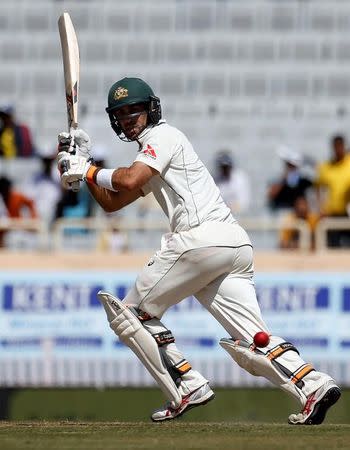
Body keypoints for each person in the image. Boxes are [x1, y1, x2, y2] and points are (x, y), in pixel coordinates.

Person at [56, 77, 340, 424]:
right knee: (254, 339)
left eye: (135, 110)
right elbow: (114, 203)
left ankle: (186, 383)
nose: (129, 118)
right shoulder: (151, 155)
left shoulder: (163, 136)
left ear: (151, 109)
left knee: (130, 314)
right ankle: (314, 385)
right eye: (122, 113)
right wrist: (83, 170)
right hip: (233, 245)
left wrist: (88, 168)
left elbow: (128, 179)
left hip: (201, 239)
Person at [314, 134, 350, 247]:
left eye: (340, 146)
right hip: (331, 213)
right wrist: (321, 208)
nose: (338, 150)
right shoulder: (326, 167)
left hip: (347, 212)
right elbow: (317, 188)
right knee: (333, 246)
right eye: (336, 147)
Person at [268, 146, 313, 212]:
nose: (292, 168)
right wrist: (283, 179)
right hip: (282, 213)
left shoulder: (304, 181)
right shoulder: (279, 180)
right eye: (289, 165)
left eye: (294, 166)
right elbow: (271, 195)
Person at [0, 175, 37, 247]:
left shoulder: (17, 196)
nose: (4, 191)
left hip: (17, 227)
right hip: (4, 230)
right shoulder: (1, 199)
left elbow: (30, 203)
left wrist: (33, 216)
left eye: (6, 188)